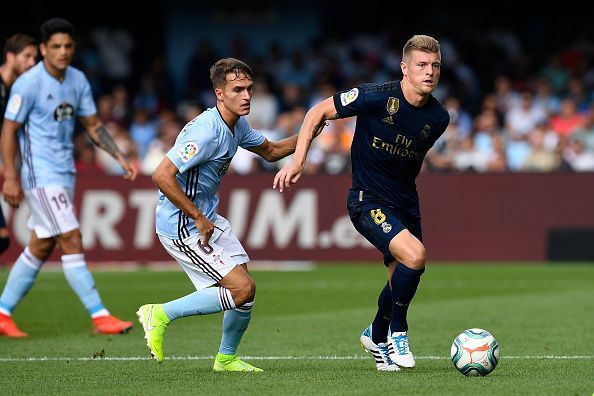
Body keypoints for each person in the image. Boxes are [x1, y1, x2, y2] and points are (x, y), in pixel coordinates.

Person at [273, 35, 450, 371]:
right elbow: (317, 112)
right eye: (421, 65)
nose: (429, 72)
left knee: (401, 275)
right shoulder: (374, 96)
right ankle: (398, 333)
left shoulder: (438, 119)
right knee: (415, 256)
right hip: (366, 200)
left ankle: (375, 333)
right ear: (405, 69)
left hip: (405, 203)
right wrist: (298, 160)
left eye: (435, 66)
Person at [136, 58, 299, 372]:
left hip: (207, 218)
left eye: (249, 88)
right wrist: (197, 215)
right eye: (238, 89)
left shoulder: (238, 125)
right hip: (183, 225)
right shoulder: (205, 132)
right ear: (219, 94)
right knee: (242, 289)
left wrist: (309, 132)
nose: (247, 95)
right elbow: (161, 175)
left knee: (244, 286)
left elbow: (272, 151)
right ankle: (160, 314)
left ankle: (226, 359)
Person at [0, 18, 138, 337]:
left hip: (65, 172)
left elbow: (91, 124)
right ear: (44, 49)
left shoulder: (77, 80)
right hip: (40, 175)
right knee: (72, 238)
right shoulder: (28, 83)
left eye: (68, 46)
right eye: (56, 47)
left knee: (42, 244)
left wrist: (118, 155)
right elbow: (9, 129)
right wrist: (10, 175)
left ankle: (3, 312)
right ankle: (99, 315)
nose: (63, 52)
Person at [0, 34, 38, 257]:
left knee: (2, 240)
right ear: (10, 56)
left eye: (34, 58)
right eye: (27, 56)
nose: (31, 63)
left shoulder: (17, 93)